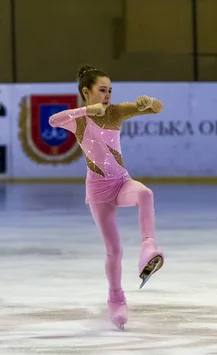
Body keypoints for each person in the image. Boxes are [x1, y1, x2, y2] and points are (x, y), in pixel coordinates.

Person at [48, 65, 164, 330]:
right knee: (114, 250)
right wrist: (87, 111)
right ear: (86, 92)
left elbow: (157, 108)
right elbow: (53, 121)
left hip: (121, 182)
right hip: (98, 191)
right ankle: (116, 298)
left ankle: (148, 248)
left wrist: (149, 102)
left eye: (110, 90)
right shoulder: (78, 118)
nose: (108, 94)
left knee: (145, 193)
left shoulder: (116, 112)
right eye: (102, 90)